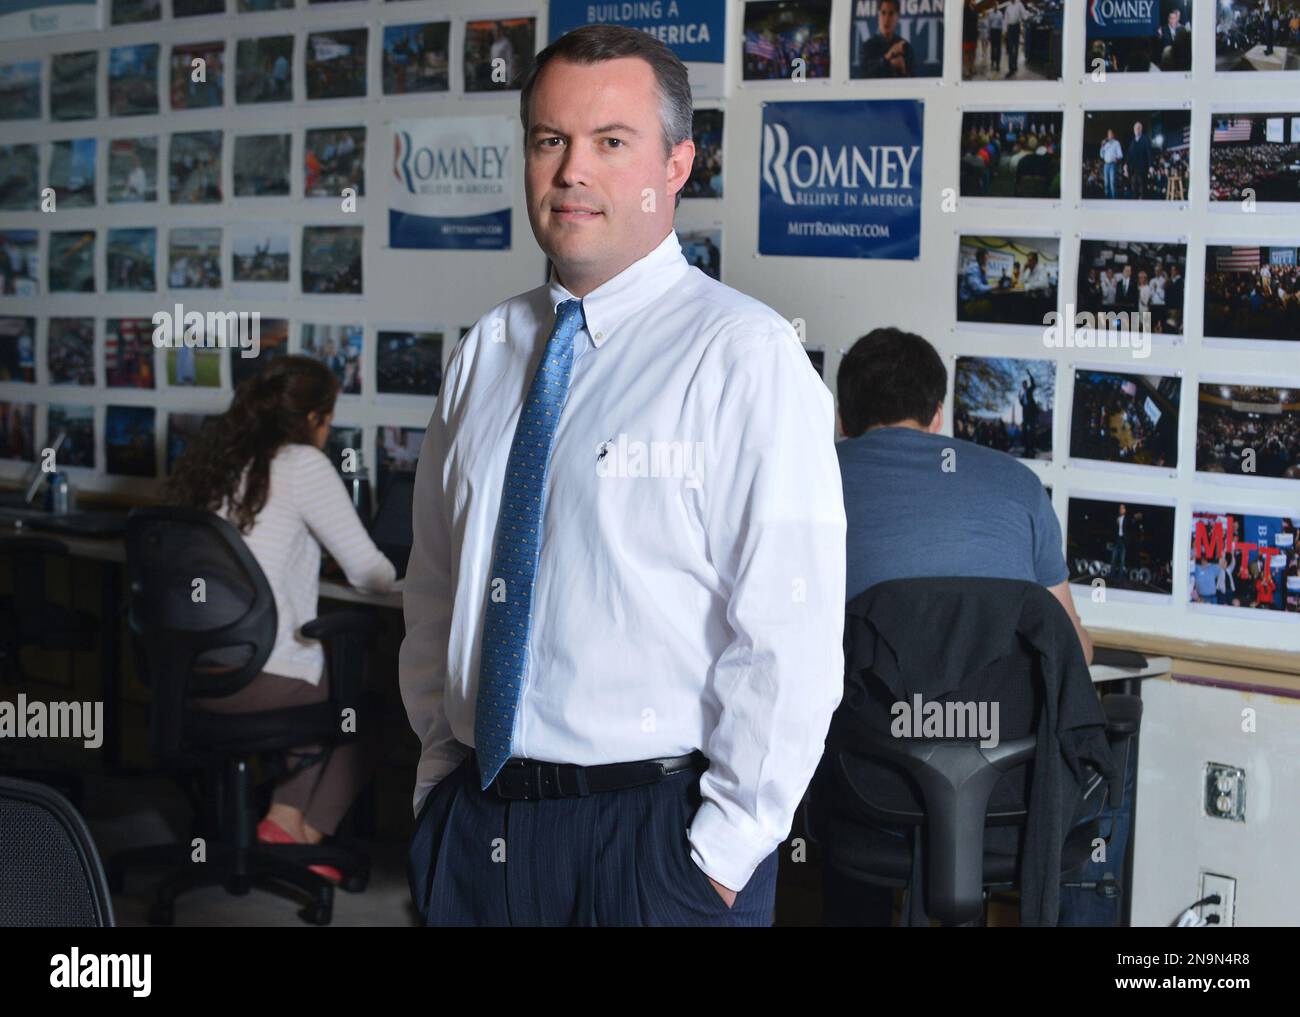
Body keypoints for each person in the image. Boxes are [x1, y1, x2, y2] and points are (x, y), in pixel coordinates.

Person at [399, 24, 845, 927]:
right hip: (480, 826)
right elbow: (437, 589)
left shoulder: (744, 357)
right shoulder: (485, 352)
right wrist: (437, 781)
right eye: (549, 140)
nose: (573, 171)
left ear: (677, 165)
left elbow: (786, 647)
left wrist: (715, 861)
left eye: (611, 142)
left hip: (654, 841)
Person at [830, 328, 1097, 926]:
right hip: (1011, 793)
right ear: (938, 415)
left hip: (864, 788)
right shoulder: (1019, 485)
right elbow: (1072, 648)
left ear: (843, 417)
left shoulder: (811, 477)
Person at [166, 356, 398, 882]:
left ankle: (284, 821)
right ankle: (300, 834)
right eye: (329, 418)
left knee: (321, 680)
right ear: (315, 417)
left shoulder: (212, 462)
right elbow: (373, 576)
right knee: (369, 700)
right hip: (259, 682)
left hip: (186, 679)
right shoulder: (301, 464)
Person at [860, 0, 916, 77]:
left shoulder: (906, 48)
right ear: (878, 16)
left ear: (897, 18)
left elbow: (914, 83)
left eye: (891, 14)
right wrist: (888, 56)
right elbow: (864, 76)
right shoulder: (867, 46)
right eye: (883, 13)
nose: (886, 19)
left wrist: (903, 70)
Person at [1125, 120, 1152, 200]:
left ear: (1141, 129)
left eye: (1138, 128)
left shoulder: (1145, 139)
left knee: (1142, 190)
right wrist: (1126, 164)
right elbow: (1129, 155)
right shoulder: (1132, 142)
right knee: (1134, 190)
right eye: (1135, 128)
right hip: (1133, 170)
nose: (1136, 130)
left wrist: (1150, 166)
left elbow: (1149, 153)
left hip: (1142, 169)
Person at [1004, 0, 1028, 76]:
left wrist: (1027, 16)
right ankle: (1011, 69)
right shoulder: (1008, 6)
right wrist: (1005, 30)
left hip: (1017, 27)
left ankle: (1015, 65)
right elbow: (1005, 19)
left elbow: (1024, 13)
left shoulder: (1019, 4)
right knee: (1010, 49)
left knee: (1016, 48)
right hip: (1010, 28)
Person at [1099, 128, 1124, 199]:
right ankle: (1107, 199)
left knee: (1112, 183)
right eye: (1108, 134)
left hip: (1113, 164)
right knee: (1106, 184)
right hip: (1106, 165)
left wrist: (1116, 158)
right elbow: (1101, 156)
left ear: (1113, 135)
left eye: (1110, 134)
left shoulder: (1116, 143)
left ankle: (1114, 200)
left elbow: (1120, 155)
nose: (1109, 135)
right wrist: (1102, 146)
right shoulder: (1105, 144)